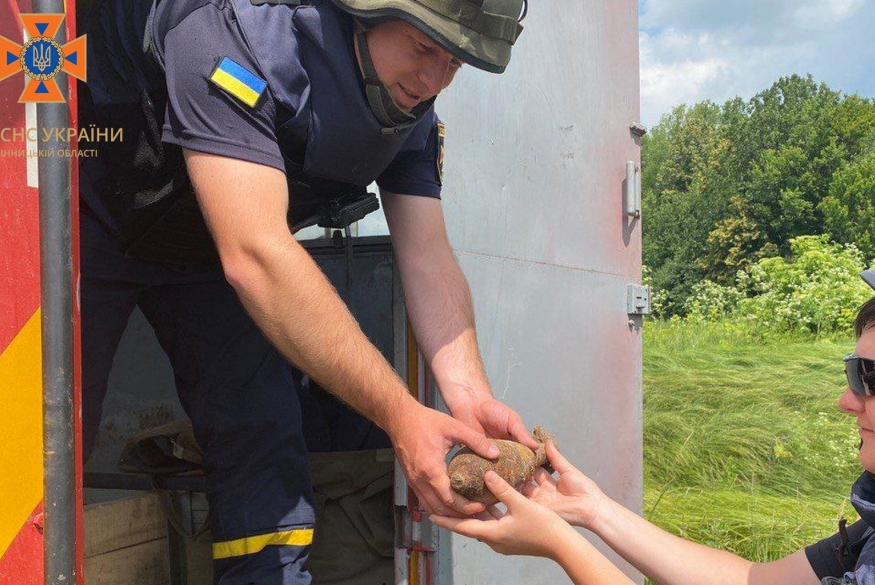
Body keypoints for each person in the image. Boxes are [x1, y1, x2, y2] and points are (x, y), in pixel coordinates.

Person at [76, 0, 535, 583]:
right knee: (51, 424)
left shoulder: (412, 107)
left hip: (209, 252)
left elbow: (427, 255)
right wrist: (402, 416)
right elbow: (257, 254)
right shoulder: (230, 32)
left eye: (455, 64)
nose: (433, 80)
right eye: (424, 50)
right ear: (362, 14)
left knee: (261, 432)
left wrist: (471, 398)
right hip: (85, 218)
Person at [434, 236, 875, 585]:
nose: (847, 401)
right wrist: (588, 509)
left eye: (873, 378)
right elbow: (751, 579)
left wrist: (554, 543)